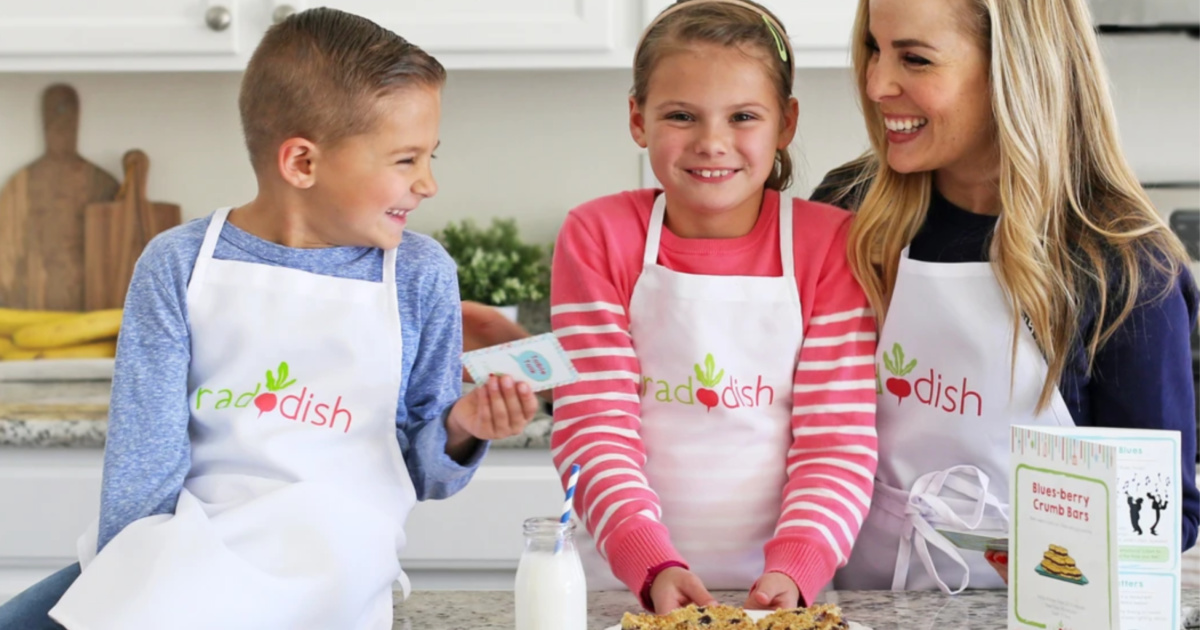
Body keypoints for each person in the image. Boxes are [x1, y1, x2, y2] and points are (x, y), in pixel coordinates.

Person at [0, 9, 539, 630]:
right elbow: (140, 474)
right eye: (405, 160)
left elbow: (424, 473)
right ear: (302, 164)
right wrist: (135, 588)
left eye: (430, 157)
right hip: (186, 550)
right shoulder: (180, 264)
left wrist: (462, 425)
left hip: (334, 563)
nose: (427, 183)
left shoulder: (419, 276)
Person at [811, 0, 1199, 593]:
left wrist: (1033, 551)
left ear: (1013, 69)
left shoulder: (1121, 266)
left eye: (914, 58)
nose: (875, 83)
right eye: (873, 48)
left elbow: (1165, 516)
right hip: (853, 606)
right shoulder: (849, 212)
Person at [549, 0, 879, 614]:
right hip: (625, 584)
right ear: (638, 119)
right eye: (681, 115)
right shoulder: (598, 235)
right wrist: (648, 560)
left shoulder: (829, 244)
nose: (711, 143)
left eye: (743, 116)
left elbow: (836, 441)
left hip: (784, 595)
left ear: (786, 123)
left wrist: (798, 564)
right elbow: (593, 426)